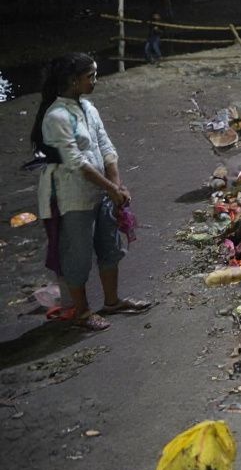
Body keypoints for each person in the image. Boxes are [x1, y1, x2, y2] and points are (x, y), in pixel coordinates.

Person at [31, 53, 152, 331]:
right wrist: (111, 188)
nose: (95, 81)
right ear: (73, 80)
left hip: (102, 193)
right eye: (91, 76)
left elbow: (106, 147)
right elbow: (77, 163)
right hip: (72, 196)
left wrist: (116, 185)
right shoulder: (56, 116)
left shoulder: (88, 108)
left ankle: (112, 302)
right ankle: (82, 312)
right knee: (78, 256)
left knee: (110, 247)